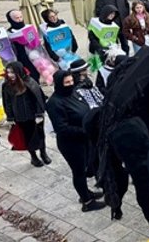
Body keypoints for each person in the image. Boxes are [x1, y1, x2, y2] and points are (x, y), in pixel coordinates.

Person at [46, 70, 106, 212]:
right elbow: (62, 128)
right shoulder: (55, 103)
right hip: (71, 143)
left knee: (86, 166)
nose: (70, 84)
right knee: (78, 171)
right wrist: (85, 131)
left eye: (71, 81)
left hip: (84, 138)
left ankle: (86, 192)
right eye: (66, 83)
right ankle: (87, 201)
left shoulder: (73, 93)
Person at [3, 61, 49, 166]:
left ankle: (43, 153)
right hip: (20, 117)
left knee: (40, 135)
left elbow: (38, 98)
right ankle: (34, 157)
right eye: (8, 72)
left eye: (13, 72)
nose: (10, 75)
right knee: (27, 137)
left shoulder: (30, 82)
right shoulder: (7, 86)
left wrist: (39, 114)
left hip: (34, 116)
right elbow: (7, 102)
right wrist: (10, 117)